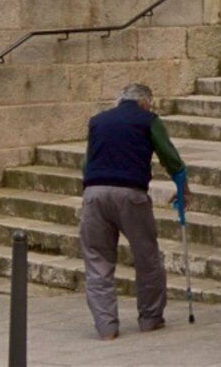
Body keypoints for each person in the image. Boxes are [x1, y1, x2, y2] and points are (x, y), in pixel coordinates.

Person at [75, 81, 187, 339]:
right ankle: (150, 318)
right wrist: (183, 186)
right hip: (131, 195)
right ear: (146, 102)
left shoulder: (98, 121)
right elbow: (170, 157)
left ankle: (106, 327)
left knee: (98, 261)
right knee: (147, 258)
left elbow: (87, 162)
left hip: (94, 193)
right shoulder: (149, 120)